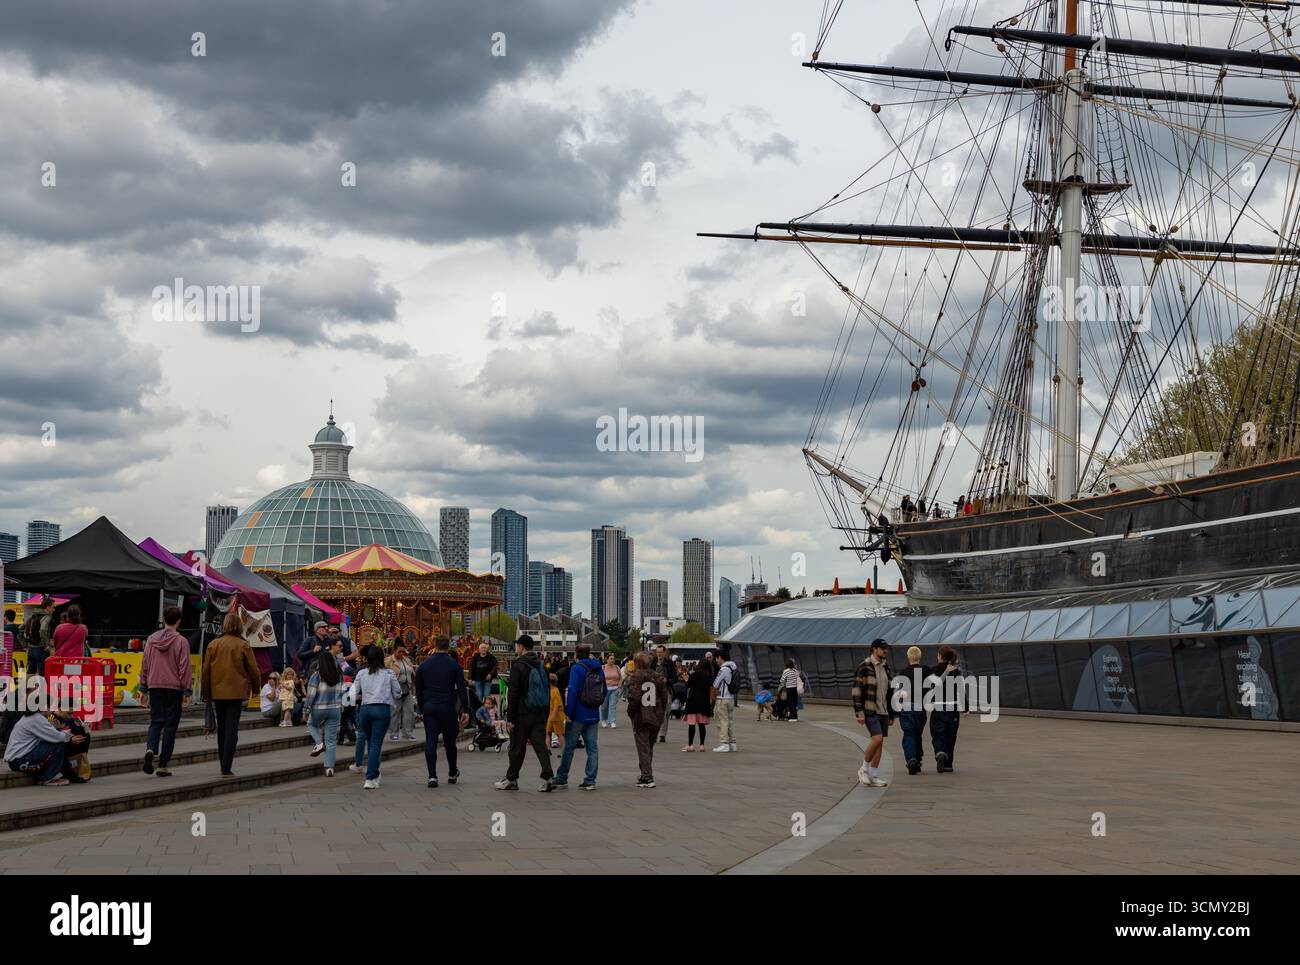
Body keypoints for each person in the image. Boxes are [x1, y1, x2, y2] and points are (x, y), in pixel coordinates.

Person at [201, 610, 260, 777]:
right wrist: (256, 689)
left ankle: (222, 762)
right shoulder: (243, 645)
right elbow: (254, 670)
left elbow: (206, 671)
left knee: (222, 728)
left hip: (217, 692)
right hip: (236, 692)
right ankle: (227, 765)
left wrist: (206, 692)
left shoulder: (213, 644)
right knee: (232, 729)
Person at [495, 635, 556, 792]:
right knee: (541, 746)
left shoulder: (518, 666)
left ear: (521, 647)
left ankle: (512, 779)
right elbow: (546, 690)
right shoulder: (541, 665)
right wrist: (546, 711)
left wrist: (510, 719)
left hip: (522, 713)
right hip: (539, 712)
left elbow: (513, 694)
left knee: (517, 747)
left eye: (518, 645)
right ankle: (548, 777)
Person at [139, 606, 193, 777]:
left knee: (155, 722)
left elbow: (145, 664)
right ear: (178, 621)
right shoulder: (182, 642)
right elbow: (184, 668)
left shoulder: (151, 640)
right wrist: (187, 691)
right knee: (170, 726)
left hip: (154, 685)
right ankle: (163, 764)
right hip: (174, 688)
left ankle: (151, 748)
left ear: (163, 619)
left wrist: (143, 688)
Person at [414, 636, 471, 787]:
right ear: (448, 647)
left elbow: (418, 690)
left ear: (434, 645)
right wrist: (465, 710)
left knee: (431, 741)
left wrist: (421, 707)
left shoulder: (424, 666)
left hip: (430, 707)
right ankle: (452, 772)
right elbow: (461, 689)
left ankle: (432, 776)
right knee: (450, 742)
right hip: (447, 707)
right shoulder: (454, 665)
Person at [553, 642, 603, 790]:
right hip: (593, 713)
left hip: (578, 714)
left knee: (569, 747)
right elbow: (604, 690)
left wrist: (568, 713)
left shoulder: (577, 668)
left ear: (576, 655)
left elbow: (573, 691)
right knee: (592, 748)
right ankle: (590, 779)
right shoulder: (598, 668)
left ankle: (562, 777)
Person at [350, 645, 402, 789]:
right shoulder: (389, 674)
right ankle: (371, 777)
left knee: (370, 741)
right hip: (382, 708)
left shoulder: (361, 673)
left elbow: (353, 694)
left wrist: (363, 696)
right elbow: (398, 692)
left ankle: (374, 773)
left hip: (365, 709)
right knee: (375, 744)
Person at [3, 703, 87, 786]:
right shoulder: (37, 719)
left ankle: (64, 772)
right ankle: (48, 777)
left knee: (56, 742)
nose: (51, 712)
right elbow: (57, 737)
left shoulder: (32, 717)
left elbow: (48, 735)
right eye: (50, 708)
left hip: (17, 759)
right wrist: (68, 736)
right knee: (58, 744)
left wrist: (59, 730)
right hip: (20, 761)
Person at [853, 638, 896, 787]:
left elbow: (890, 692)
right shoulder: (864, 667)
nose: (885, 651)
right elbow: (857, 691)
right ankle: (863, 769)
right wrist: (859, 712)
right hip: (870, 709)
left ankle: (873, 775)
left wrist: (892, 713)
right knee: (876, 739)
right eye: (882, 648)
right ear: (874, 649)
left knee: (880, 743)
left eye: (886, 648)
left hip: (883, 711)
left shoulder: (886, 667)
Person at [625, 651, 668, 788]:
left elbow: (635, 698)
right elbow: (665, 697)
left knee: (642, 746)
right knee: (649, 746)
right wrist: (661, 711)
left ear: (637, 663)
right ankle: (646, 773)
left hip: (642, 716)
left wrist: (630, 711)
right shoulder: (657, 677)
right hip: (656, 715)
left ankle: (647, 776)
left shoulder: (636, 677)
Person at [929, 646, 962, 773]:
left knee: (937, 734)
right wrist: (965, 708)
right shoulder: (956, 671)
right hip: (952, 708)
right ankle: (948, 764)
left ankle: (940, 752)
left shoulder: (933, 670)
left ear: (940, 656)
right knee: (951, 736)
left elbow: (931, 686)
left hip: (938, 707)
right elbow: (960, 690)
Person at [898, 646, 928, 776]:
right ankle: (918, 758)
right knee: (917, 733)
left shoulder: (903, 672)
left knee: (909, 733)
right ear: (920, 657)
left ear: (908, 657)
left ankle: (911, 759)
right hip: (920, 706)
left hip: (907, 706)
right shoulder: (926, 670)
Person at [712, 650, 740, 753]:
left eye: (716, 658)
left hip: (723, 698)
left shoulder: (724, 669)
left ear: (720, 657)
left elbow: (715, 684)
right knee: (730, 721)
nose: (716, 661)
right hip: (731, 698)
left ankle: (724, 743)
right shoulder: (733, 667)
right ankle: (732, 743)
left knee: (722, 721)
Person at [682, 656, 713, 751]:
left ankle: (690, 745)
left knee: (692, 724)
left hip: (693, 702)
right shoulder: (709, 677)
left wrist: (686, 679)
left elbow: (687, 686)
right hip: (704, 703)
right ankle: (702, 745)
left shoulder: (694, 675)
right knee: (701, 724)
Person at [386, 645, 416, 741]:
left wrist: (413, 685)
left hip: (407, 687)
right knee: (395, 711)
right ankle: (394, 733)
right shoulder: (388, 660)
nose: (402, 654)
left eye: (403, 651)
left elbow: (412, 673)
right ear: (394, 651)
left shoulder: (407, 660)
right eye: (400, 652)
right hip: (396, 688)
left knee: (410, 711)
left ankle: (408, 732)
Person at [649, 644, 674, 743]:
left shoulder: (669, 663)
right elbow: (648, 674)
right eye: (657, 652)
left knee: (666, 712)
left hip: (666, 689)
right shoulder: (653, 663)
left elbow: (674, 678)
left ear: (664, 652)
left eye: (661, 652)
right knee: (654, 712)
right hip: (654, 689)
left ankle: (662, 734)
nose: (659, 654)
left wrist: (667, 680)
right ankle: (654, 733)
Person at [599, 653, 622, 728]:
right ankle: (603, 720)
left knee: (612, 706)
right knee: (604, 706)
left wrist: (619, 686)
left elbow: (621, 677)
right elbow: (599, 678)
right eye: (611, 659)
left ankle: (612, 721)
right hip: (605, 689)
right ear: (607, 659)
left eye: (613, 659)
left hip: (614, 689)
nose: (612, 660)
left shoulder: (617, 667)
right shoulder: (603, 667)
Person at [546, 673, 566, 749]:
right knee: (547, 732)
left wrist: (553, 716)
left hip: (557, 716)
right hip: (551, 715)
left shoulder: (555, 691)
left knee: (559, 734)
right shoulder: (552, 690)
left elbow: (556, 705)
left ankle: (563, 749)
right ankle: (547, 749)